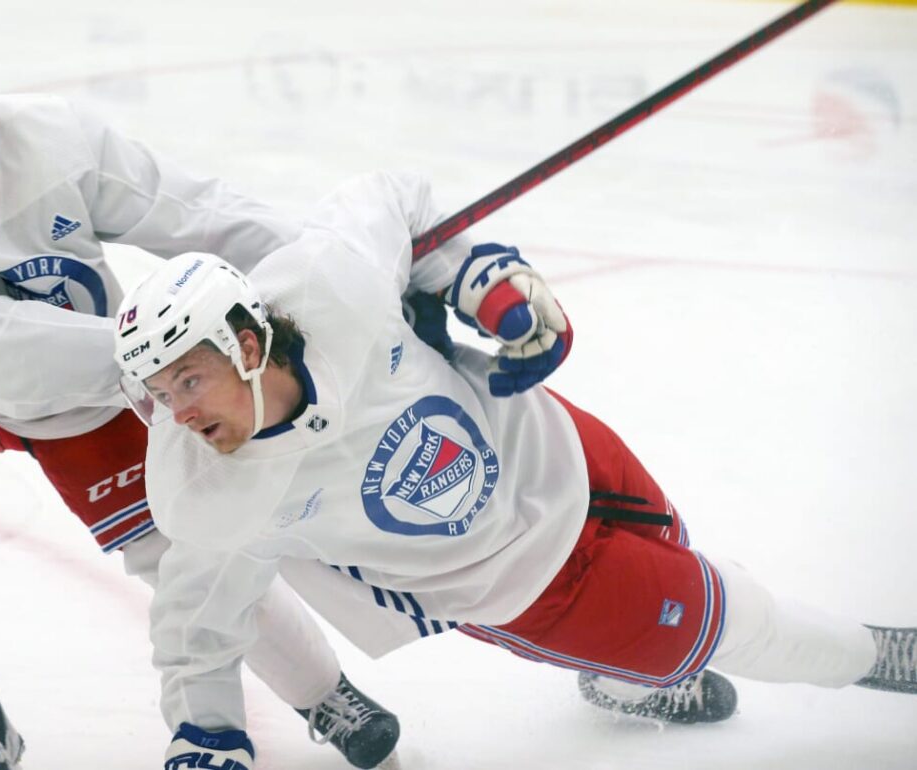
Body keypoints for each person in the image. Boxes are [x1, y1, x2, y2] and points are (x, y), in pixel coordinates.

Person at [111, 170, 917, 768]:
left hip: (558, 445)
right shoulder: (206, 492)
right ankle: (880, 656)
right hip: (523, 586)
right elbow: (197, 617)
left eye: (189, 380)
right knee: (738, 618)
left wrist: (478, 278)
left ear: (247, 345)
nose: (177, 413)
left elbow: (396, 197)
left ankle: (625, 680)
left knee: (678, 550)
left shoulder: (331, 285)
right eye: (160, 392)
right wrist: (205, 728)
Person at [0, 29, 406, 770]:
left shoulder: (52, 140)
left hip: (92, 386)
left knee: (190, 543)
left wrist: (321, 272)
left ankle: (322, 693)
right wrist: (166, 360)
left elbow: (197, 212)